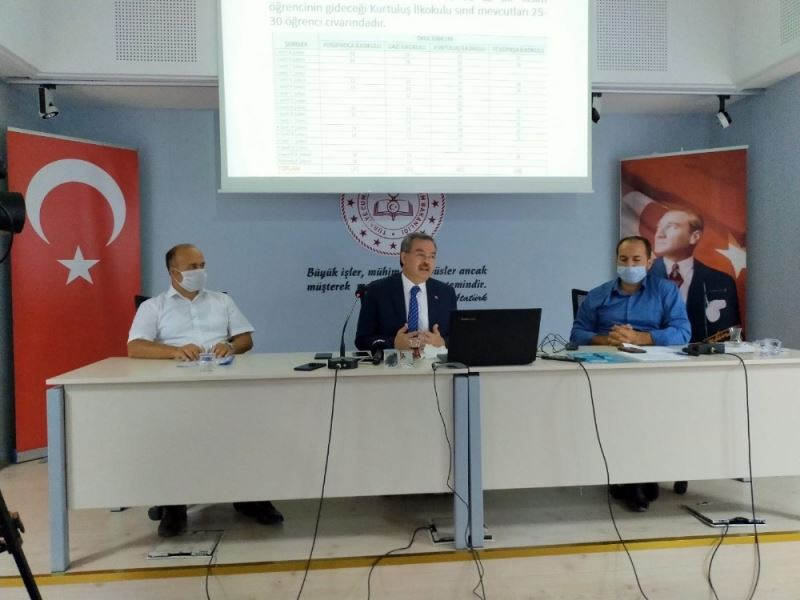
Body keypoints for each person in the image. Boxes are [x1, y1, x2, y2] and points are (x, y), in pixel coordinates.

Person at [128, 243, 283, 537]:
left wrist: (230, 346)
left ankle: (251, 497)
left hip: (225, 385)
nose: (199, 272)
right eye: (192, 267)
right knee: (174, 439)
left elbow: (246, 340)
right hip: (175, 392)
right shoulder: (154, 307)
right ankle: (174, 506)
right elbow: (135, 347)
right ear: (173, 272)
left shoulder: (222, 301)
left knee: (249, 431)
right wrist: (174, 351)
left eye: (202, 265)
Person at [570, 236, 691, 512]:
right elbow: (577, 333)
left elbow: (683, 332)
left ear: (649, 262)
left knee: (645, 410)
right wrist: (605, 340)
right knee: (620, 411)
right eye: (623, 259)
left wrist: (641, 338)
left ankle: (638, 477)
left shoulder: (666, 292)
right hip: (608, 369)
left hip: (653, 371)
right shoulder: (598, 294)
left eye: (636, 260)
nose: (629, 265)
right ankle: (630, 477)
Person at [355, 232, 457, 355]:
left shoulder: (446, 293)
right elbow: (362, 340)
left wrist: (442, 342)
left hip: (433, 364)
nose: (426, 261)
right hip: (394, 365)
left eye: (432, 256)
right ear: (404, 258)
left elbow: (458, 337)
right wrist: (393, 343)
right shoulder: (377, 290)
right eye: (420, 255)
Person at [650, 207, 741, 342]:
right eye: (658, 227)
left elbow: (731, 336)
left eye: (672, 227)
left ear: (694, 236)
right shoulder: (643, 277)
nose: (659, 234)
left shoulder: (721, 281)